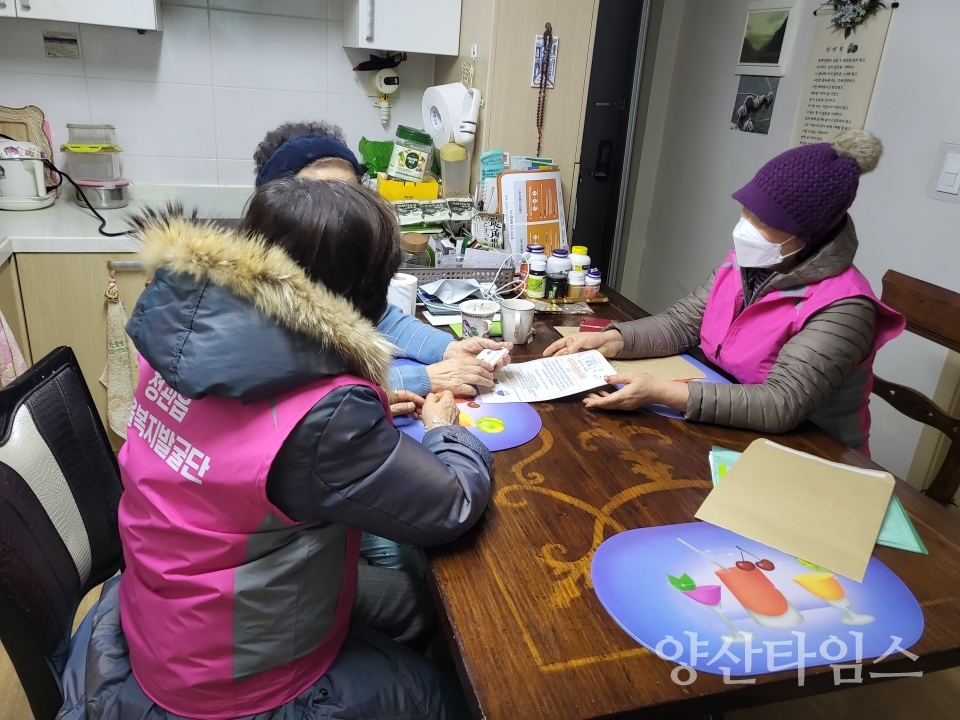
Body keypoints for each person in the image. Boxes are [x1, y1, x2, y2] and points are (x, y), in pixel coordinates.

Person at [58, 178, 492, 719]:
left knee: (409, 603)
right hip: (229, 677)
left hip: (160, 610)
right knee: (457, 699)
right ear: (360, 295)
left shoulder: (176, 337)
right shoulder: (326, 417)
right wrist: (446, 430)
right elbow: (451, 504)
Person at [544, 130, 905, 456]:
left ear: (805, 237)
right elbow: (680, 325)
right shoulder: (747, 264)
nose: (744, 228)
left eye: (762, 222)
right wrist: (610, 340)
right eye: (746, 212)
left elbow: (781, 403)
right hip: (730, 424)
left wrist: (662, 392)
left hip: (813, 453)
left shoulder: (845, 307)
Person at [254, 121, 510, 401]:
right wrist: (423, 379)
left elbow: (378, 318)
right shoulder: (255, 292)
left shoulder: (348, 257)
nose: (343, 210)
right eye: (321, 195)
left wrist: (448, 349)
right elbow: (304, 394)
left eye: (350, 193)